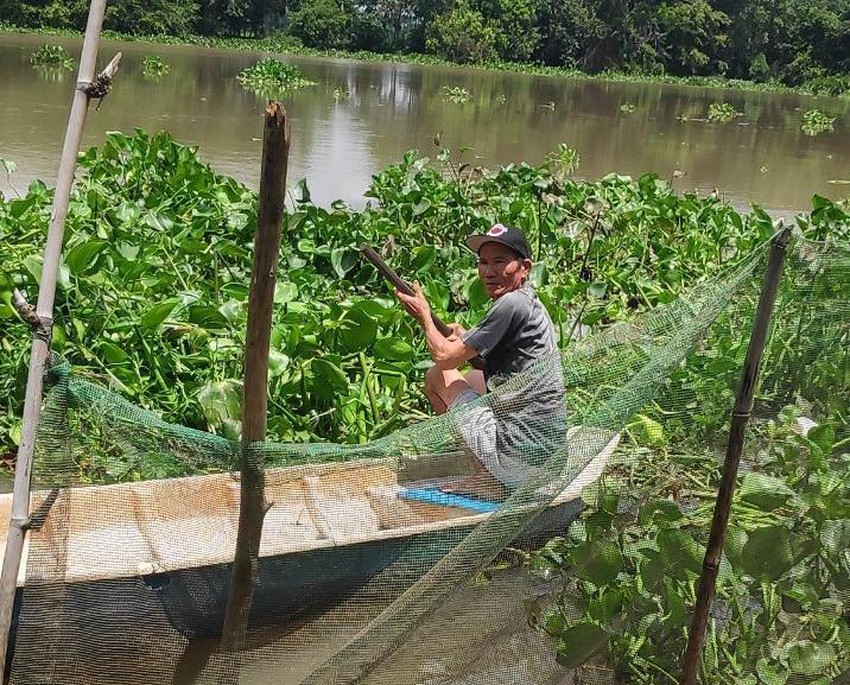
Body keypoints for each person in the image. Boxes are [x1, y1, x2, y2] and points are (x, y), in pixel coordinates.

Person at [395, 223, 566, 496]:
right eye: (483, 262)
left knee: (437, 376)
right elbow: (489, 360)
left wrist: (424, 316)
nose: (489, 272)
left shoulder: (511, 303)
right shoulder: (529, 302)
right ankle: (484, 463)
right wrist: (466, 337)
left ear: (524, 267)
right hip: (547, 458)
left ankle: (484, 477)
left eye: (500, 262)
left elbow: (444, 357)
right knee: (475, 377)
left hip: (518, 461)